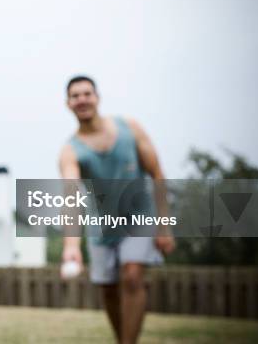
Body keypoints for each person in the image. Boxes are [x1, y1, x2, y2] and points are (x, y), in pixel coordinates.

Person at [59, 76, 175, 344]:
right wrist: (71, 246)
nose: (82, 99)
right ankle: (122, 338)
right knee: (109, 289)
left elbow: (157, 173)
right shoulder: (70, 151)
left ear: (97, 97)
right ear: (68, 104)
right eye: (75, 96)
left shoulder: (129, 128)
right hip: (102, 226)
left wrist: (164, 225)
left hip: (139, 217)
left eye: (87, 93)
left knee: (132, 275)